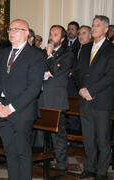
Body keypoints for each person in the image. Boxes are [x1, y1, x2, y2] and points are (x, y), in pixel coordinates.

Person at [0, 19, 45, 180]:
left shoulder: (35, 55)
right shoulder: (3, 53)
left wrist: (11, 107)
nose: (11, 32)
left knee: (22, 153)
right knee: (10, 152)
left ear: (26, 33)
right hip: (2, 111)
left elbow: (33, 88)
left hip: (22, 112)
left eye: (16, 29)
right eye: (9, 29)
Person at [73, 15, 114, 180]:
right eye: (93, 25)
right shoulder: (85, 48)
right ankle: (90, 168)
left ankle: (101, 172)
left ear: (106, 29)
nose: (93, 28)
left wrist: (91, 91)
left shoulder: (113, 50)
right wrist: (81, 89)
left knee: (102, 139)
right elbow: (78, 71)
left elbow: (110, 76)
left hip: (101, 101)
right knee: (88, 139)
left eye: (98, 25)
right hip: (84, 99)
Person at [39, 25, 74, 170]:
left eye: (55, 34)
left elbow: (56, 71)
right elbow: (37, 70)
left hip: (56, 99)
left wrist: (50, 55)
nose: (51, 37)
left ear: (62, 38)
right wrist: (45, 73)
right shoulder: (42, 53)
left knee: (58, 134)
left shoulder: (68, 54)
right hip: (40, 97)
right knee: (40, 132)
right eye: (50, 33)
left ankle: (61, 163)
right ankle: (42, 158)